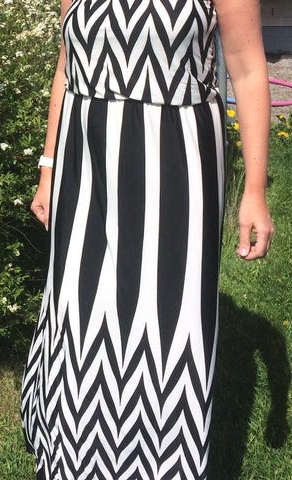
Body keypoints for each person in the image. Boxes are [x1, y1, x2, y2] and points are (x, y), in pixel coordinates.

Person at [21, 0, 275, 478]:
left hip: (174, 164)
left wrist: (254, 192)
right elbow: (66, 67)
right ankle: (75, 453)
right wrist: (49, 166)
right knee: (79, 308)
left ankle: (161, 459)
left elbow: (246, 68)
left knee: (165, 320)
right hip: (86, 164)